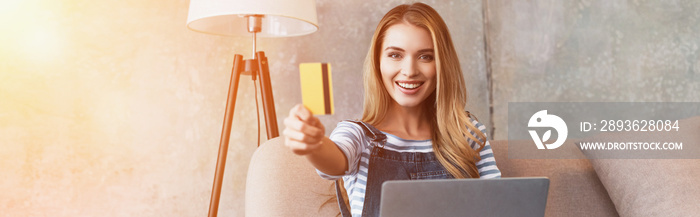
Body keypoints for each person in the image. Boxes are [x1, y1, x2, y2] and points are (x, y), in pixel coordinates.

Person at [283, 2, 501, 217]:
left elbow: (500, 205)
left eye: (425, 57)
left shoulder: (467, 133)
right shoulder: (358, 135)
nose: (409, 71)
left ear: (442, 64)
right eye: (395, 55)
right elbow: (335, 163)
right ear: (378, 62)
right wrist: (314, 144)